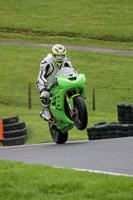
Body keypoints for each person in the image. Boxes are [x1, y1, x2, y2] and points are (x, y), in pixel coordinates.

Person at [36, 44, 76, 121]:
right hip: (44, 83)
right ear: (53, 54)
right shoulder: (45, 62)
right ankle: (46, 111)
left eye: (62, 56)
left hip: (59, 82)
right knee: (45, 95)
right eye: (58, 56)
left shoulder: (67, 61)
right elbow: (40, 76)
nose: (60, 58)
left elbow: (73, 71)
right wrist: (47, 84)